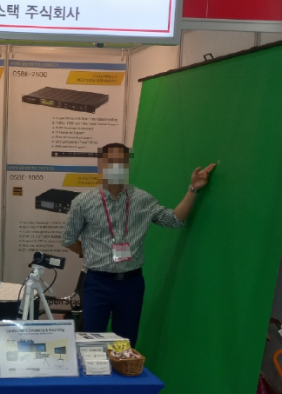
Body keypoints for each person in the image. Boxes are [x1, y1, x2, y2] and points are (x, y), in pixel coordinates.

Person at [61, 142, 215, 346]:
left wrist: (193, 189)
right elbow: (68, 239)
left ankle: (124, 366)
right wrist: (90, 253)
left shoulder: (142, 199)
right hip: (97, 283)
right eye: (111, 161)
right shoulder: (83, 202)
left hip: (131, 284)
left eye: (122, 162)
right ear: (102, 165)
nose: (116, 167)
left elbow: (174, 220)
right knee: (92, 342)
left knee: (126, 344)